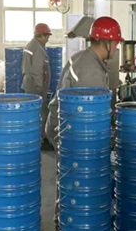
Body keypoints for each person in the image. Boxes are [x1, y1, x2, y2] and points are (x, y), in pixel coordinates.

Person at [45, 16, 123, 149]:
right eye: (116, 44)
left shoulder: (84, 57)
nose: (116, 49)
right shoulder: (90, 71)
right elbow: (89, 118)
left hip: (61, 123)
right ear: (107, 43)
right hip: (68, 129)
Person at [22, 23, 52, 145]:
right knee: (41, 113)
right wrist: (40, 88)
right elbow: (37, 70)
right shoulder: (38, 49)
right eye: (47, 36)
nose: (48, 39)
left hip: (29, 84)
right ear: (41, 36)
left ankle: (31, 138)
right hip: (35, 86)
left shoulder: (30, 45)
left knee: (31, 113)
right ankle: (40, 139)